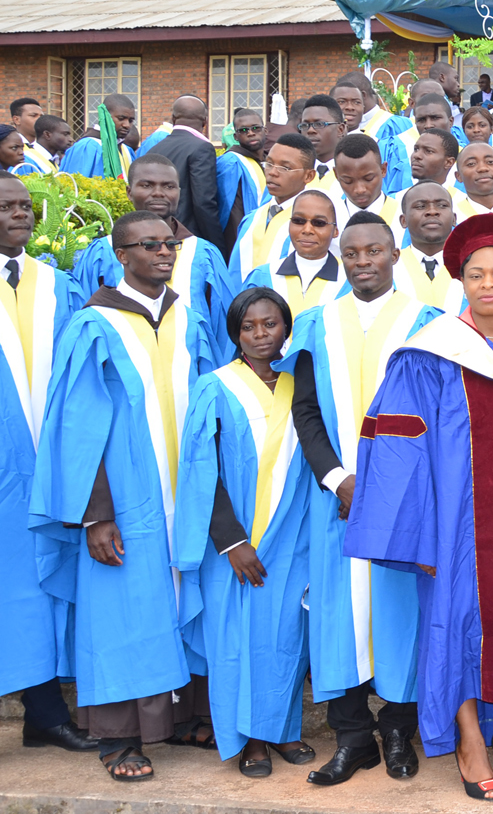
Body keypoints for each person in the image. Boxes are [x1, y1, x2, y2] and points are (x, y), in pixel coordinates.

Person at [345, 214, 493, 800]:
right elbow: (400, 453)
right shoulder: (428, 354)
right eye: (477, 275)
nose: (489, 284)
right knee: (459, 622)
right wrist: (418, 532)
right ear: (462, 282)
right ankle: (470, 736)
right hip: (454, 527)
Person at [30, 209, 221, 781]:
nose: (162, 253)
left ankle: (185, 718)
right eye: (147, 245)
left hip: (184, 490)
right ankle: (117, 735)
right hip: (126, 496)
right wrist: (95, 516)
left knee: (183, 592)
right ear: (121, 254)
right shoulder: (96, 325)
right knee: (121, 607)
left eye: (169, 244)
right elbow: (78, 427)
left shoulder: (186, 317)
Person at [273, 213, 437, 787]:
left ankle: (396, 730)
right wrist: (338, 478)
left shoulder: (428, 323)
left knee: (400, 613)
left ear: (397, 254)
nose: (363, 261)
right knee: (339, 617)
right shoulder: (316, 323)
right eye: (353, 253)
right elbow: (307, 410)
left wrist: (396, 489)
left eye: (375, 251)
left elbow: (440, 421)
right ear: (342, 258)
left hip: (408, 503)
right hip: (335, 496)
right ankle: (350, 738)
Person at [173, 286, 316, 777]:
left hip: (290, 536)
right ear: (234, 332)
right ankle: (248, 738)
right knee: (237, 640)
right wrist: (231, 542)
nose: (260, 335)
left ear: (285, 328)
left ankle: (282, 729)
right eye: (249, 326)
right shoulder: (215, 386)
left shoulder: (300, 385)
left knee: (285, 637)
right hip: (233, 543)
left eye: (270, 324)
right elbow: (199, 470)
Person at [0, 171, 98, 755]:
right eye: (6, 206)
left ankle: (43, 710)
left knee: (38, 586)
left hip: (49, 463)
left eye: (24, 205)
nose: (21, 214)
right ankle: (41, 709)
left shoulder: (55, 285)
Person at [73, 154, 235, 358]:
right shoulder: (102, 252)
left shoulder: (203, 253)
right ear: (129, 192)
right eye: (147, 185)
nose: (158, 193)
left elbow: (222, 330)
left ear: (179, 192)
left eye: (168, 186)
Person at [228, 134, 317, 290]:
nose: (272, 173)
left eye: (285, 168)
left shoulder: (314, 223)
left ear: (309, 176)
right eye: (269, 164)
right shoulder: (252, 218)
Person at [245, 190, 347, 316]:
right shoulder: (263, 276)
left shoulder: (349, 280)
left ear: (336, 231)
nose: (307, 230)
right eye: (298, 221)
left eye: (319, 223)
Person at [393, 181, 463, 311]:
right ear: (403, 220)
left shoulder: (471, 264)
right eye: (420, 206)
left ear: (454, 219)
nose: (432, 211)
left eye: (442, 205)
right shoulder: (390, 267)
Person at [216, 108, 268, 241]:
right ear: (235, 137)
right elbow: (230, 212)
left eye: (256, 128)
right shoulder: (230, 162)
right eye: (243, 130)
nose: (250, 133)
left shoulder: (270, 161)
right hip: (244, 238)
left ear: (265, 131)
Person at [59, 94, 137, 179]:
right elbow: (74, 186)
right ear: (104, 115)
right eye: (121, 118)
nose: (127, 125)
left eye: (131, 120)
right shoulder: (86, 147)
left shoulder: (126, 150)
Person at [332, 134, 399, 230]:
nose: (359, 190)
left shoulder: (403, 215)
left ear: (383, 170)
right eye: (348, 181)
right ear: (336, 175)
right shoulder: (329, 221)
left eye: (369, 178)